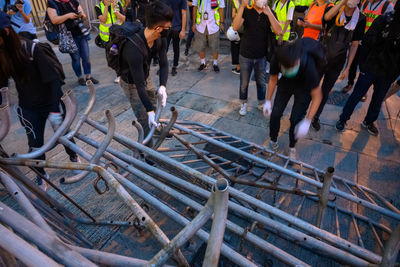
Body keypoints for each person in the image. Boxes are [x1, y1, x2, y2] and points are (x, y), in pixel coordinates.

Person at [0, 11, 80, 191]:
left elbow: (52, 79)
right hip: (28, 107)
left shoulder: (30, 49)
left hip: (50, 101)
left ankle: (74, 157)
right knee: (35, 144)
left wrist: (54, 110)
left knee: (63, 136)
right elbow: (2, 82)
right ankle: (41, 174)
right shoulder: (3, 55)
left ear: (5, 31)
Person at [336, 1, 400, 136]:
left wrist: (394, 73)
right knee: (357, 95)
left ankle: (369, 121)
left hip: (387, 72)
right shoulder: (384, 19)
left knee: (378, 99)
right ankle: (343, 119)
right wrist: (364, 64)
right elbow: (367, 41)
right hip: (371, 66)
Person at [119, 1, 171, 143]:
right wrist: (148, 111)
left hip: (145, 76)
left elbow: (164, 64)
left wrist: (163, 86)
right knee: (144, 118)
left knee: (154, 104)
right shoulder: (134, 49)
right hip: (132, 83)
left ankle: (156, 127)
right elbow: (138, 85)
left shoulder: (160, 40)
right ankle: (147, 151)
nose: (170, 29)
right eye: (168, 27)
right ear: (159, 28)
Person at [263, 38, 323, 160]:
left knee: (296, 119)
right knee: (275, 114)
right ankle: (273, 142)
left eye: (293, 67)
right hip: (285, 84)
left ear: (297, 61)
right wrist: (268, 101)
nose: (291, 69)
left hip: (304, 87)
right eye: (287, 68)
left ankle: (292, 148)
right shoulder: (277, 58)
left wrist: (307, 121)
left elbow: (317, 96)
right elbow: (273, 79)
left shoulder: (309, 66)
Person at [310, 0, 366, 131]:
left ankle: (315, 116)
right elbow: (327, 17)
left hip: (337, 61)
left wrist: (348, 67)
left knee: (325, 90)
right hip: (321, 56)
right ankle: (302, 113)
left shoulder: (361, 19)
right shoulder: (335, 10)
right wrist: (341, 3)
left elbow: (355, 44)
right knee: (312, 85)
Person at [232, 0, 282, 116]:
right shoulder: (247, 11)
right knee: (244, 83)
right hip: (245, 54)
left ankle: (261, 102)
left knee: (261, 82)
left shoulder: (270, 12)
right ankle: (243, 104)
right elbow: (235, 27)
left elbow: (279, 31)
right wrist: (242, 7)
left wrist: (269, 14)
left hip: (261, 56)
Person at [341, 0, 393, 102]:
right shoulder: (364, 3)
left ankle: (363, 91)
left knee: (364, 69)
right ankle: (350, 83)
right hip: (359, 39)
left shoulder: (387, 6)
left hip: (372, 43)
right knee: (352, 63)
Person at [47, 0, 99, 86]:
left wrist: (81, 15)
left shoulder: (73, 1)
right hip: (69, 36)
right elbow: (54, 20)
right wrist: (68, 16)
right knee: (76, 59)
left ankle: (88, 77)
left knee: (86, 56)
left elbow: (84, 16)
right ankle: (80, 77)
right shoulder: (52, 3)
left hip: (81, 33)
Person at [95, 0, 125, 83]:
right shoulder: (98, 7)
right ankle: (118, 74)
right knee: (112, 56)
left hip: (119, 36)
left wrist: (115, 9)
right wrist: (107, 7)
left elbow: (123, 19)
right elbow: (103, 20)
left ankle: (121, 74)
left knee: (122, 55)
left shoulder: (118, 4)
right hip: (107, 38)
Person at [192, 0, 225, 72]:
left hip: (213, 25)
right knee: (200, 46)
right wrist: (194, 23)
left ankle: (215, 63)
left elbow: (221, 9)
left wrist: (221, 23)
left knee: (214, 46)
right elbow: (195, 8)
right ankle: (203, 63)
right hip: (200, 25)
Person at [161, 0, 186, 76]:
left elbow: (184, 13)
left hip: (177, 27)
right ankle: (162, 66)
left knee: (176, 48)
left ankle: (175, 66)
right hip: (165, 28)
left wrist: (183, 30)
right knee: (164, 48)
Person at [229, 0, 241, 74]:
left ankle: (239, 68)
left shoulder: (235, 1)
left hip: (237, 28)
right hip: (246, 28)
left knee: (236, 48)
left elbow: (233, 15)